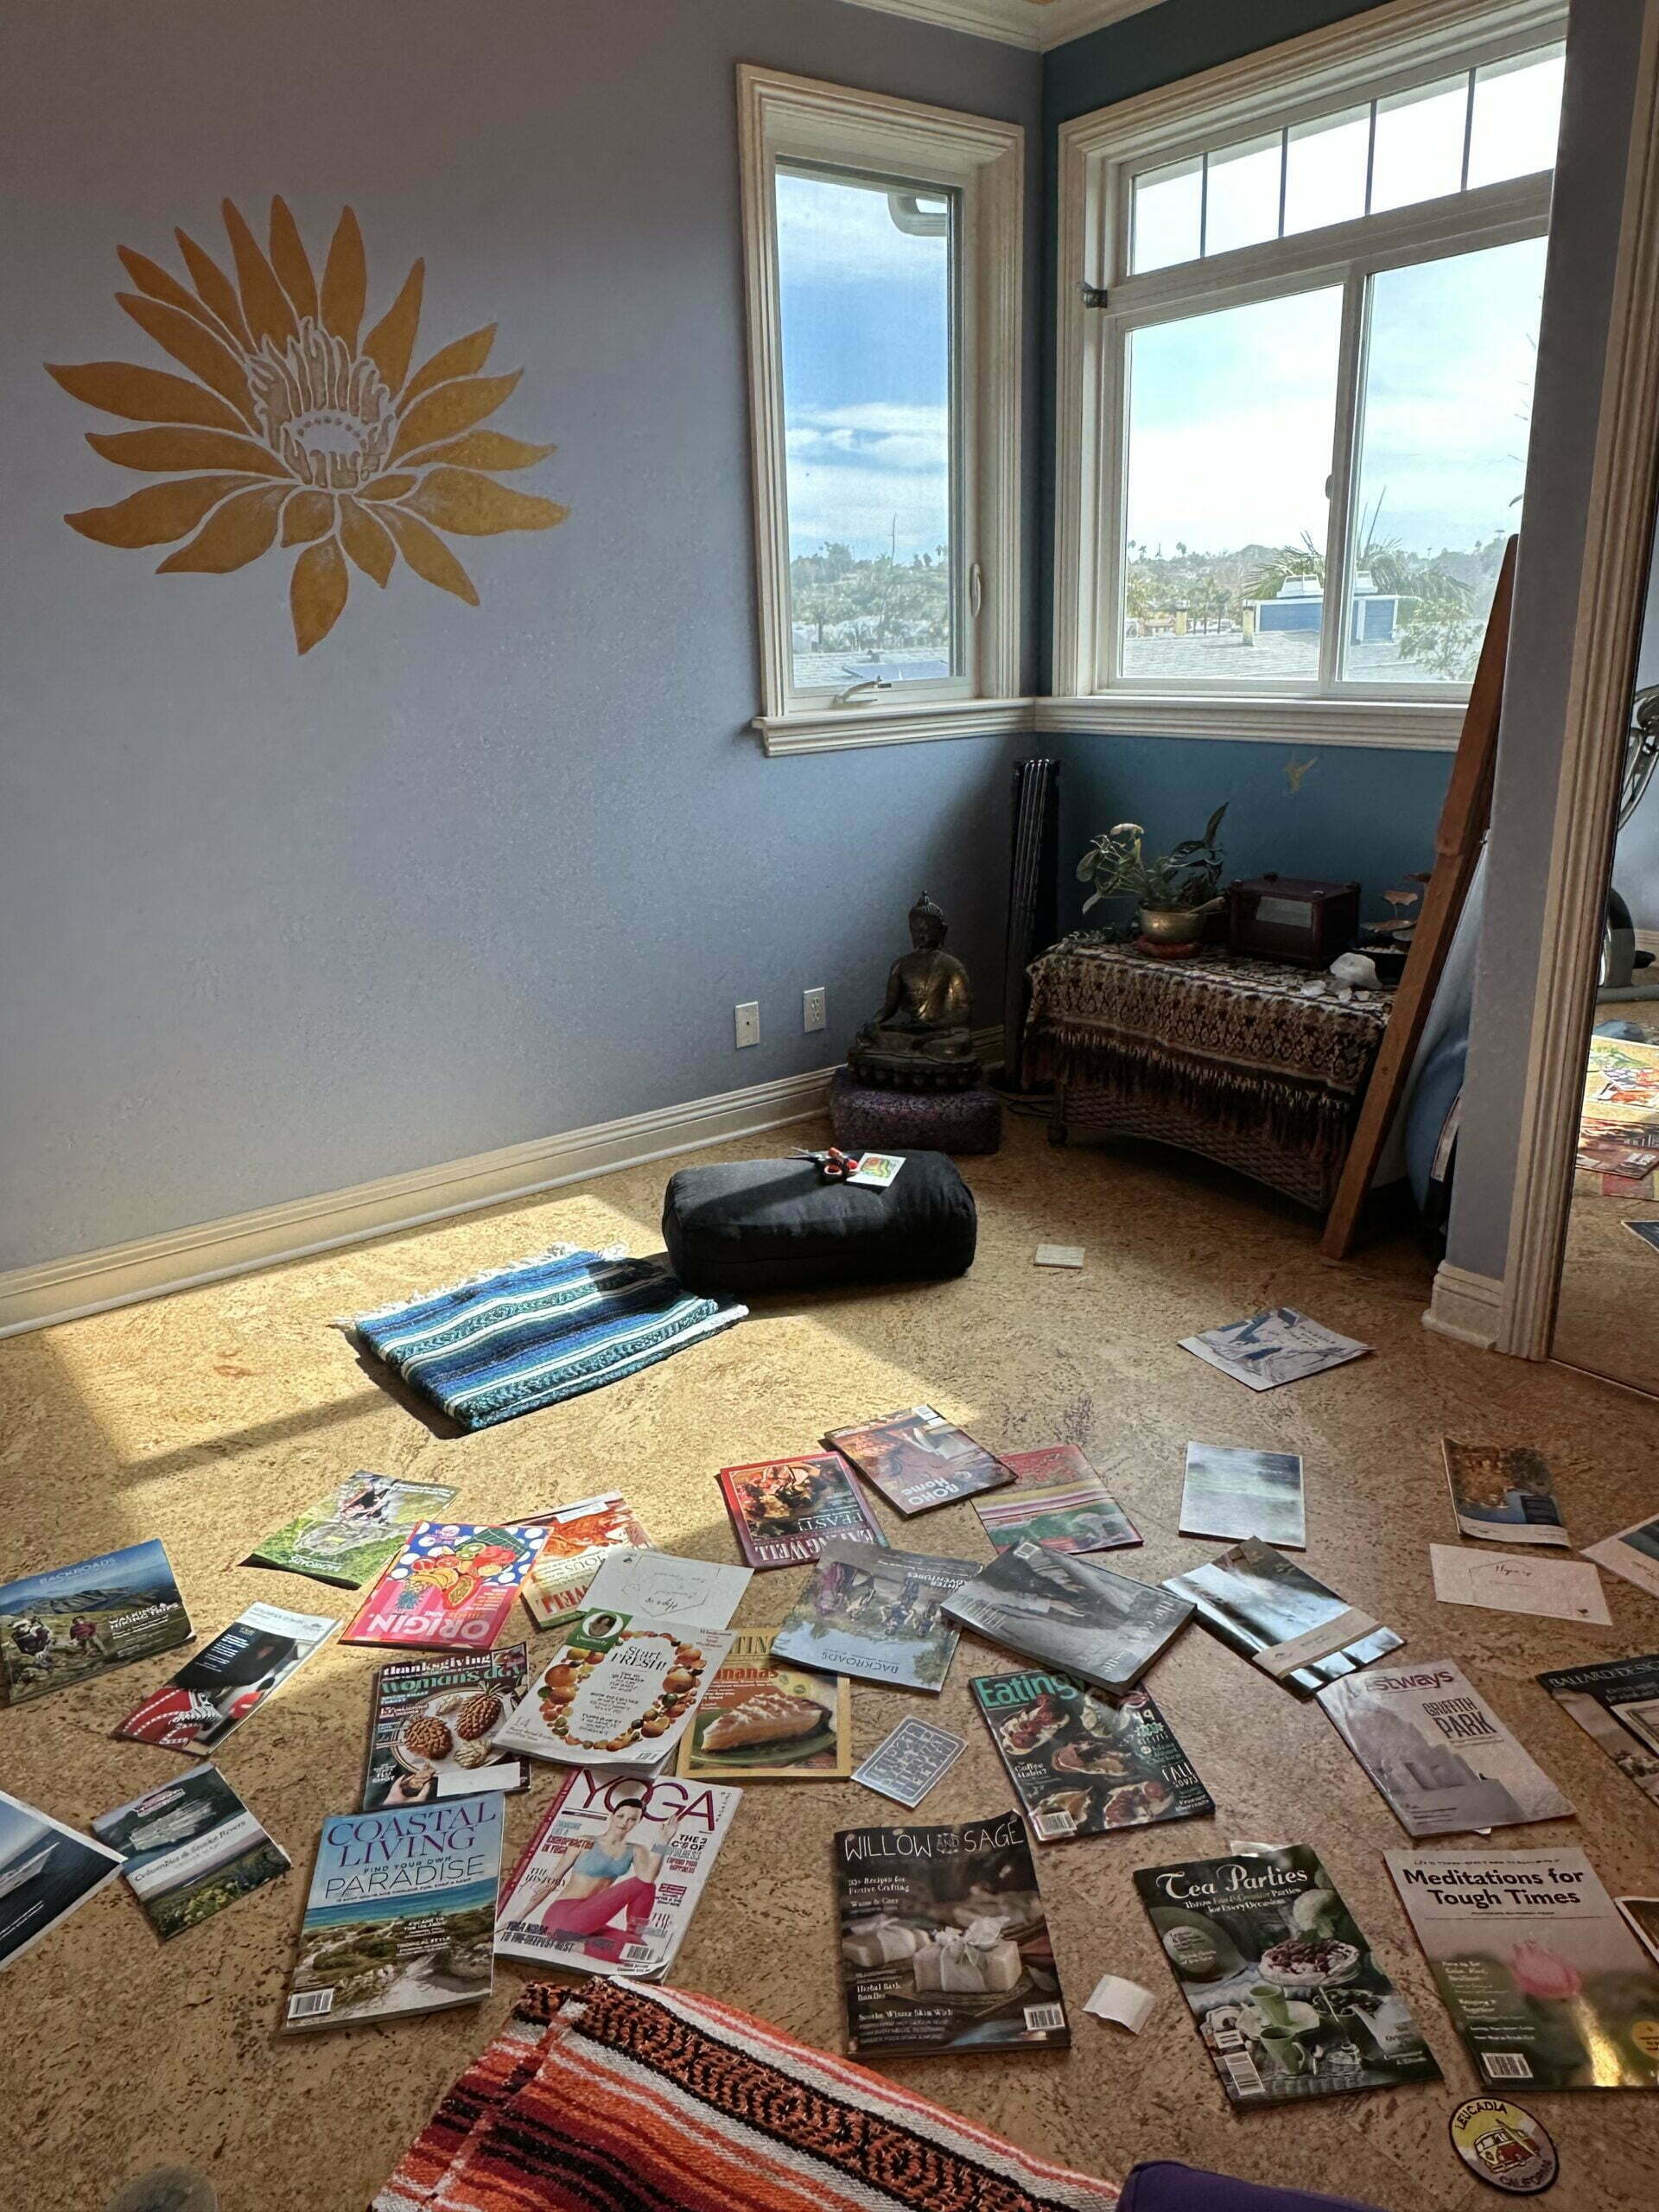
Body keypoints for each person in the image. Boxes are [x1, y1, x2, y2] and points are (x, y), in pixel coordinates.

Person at [511, 1791, 663, 1961]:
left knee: (637, 1948)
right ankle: (570, 1941)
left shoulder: (636, 1850)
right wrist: (519, 1917)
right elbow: (553, 1879)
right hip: (563, 1918)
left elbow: (649, 1878)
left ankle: (582, 1945)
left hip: (588, 1920)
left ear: (639, 1822)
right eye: (620, 1816)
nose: (624, 1822)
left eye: (632, 1819)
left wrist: (664, 1843)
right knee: (641, 1884)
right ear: (612, 1816)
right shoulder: (584, 1841)